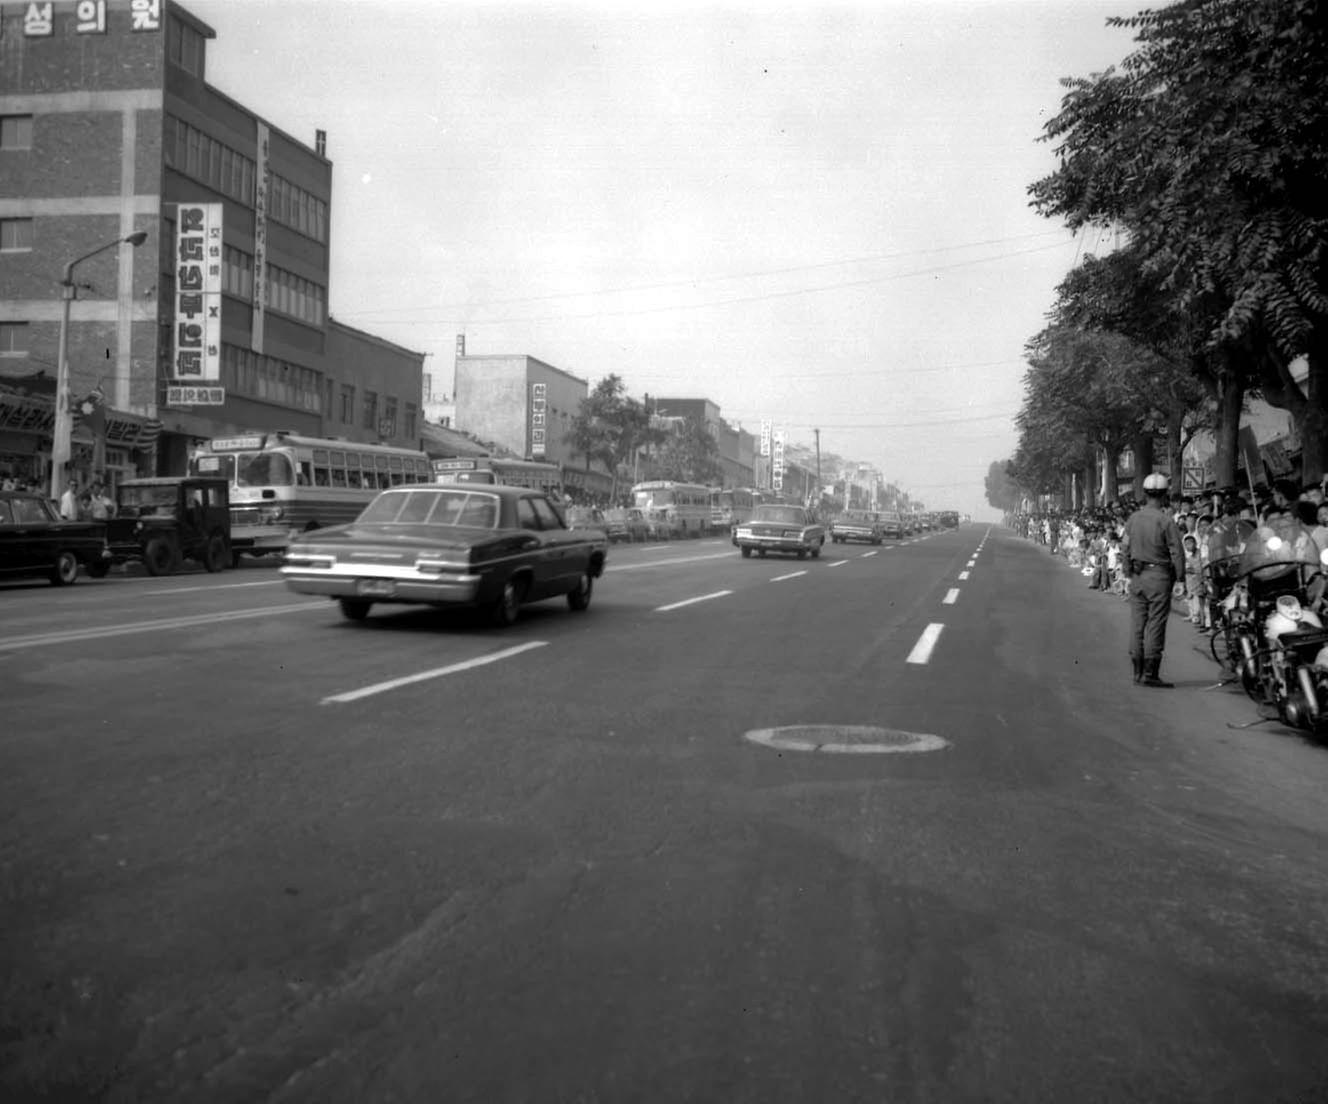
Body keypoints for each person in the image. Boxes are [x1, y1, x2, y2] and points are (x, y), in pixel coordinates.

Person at [1123, 472, 1187, 687]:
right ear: (1164, 494)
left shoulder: (1133, 519)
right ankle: (1150, 673)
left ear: (1145, 492)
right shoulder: (1165, 520)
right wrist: (1180, 577)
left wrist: (1127, 571)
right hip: (1159, 576)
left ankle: (1137, 672)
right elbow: (1177, 552)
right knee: (1155, 625)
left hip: (1137, 576)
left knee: (1137, 625)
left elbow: (1125, 547)